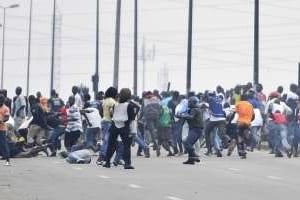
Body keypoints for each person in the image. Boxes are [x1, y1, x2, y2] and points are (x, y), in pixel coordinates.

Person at [103, 88, 136, 169]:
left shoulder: (115, 105)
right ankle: (127, 163)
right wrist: (133, 131)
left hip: (114, 125)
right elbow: (132, 120)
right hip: (124, 126)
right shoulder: (129, 106)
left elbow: (112, 114)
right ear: (129, 96)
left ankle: (107, 162)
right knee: (126, 145)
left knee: (111, 145)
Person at [177, 96, 204, 165]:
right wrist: (181, 115)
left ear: (193, 103)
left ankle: (194, 155)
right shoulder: (195, 109)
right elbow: (188, 116)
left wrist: (181, 116)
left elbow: (191, 117)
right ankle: (191, 159)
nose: (188, 103)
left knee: (187, 143)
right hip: (195, 129)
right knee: (189, 143)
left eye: (190, 102)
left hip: (196, 129)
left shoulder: (194, 109)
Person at [96, 87, 118, 165]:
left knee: (104, 139)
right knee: (107, 140)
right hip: (109, 121)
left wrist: (104, 116)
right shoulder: (112, 102)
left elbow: (101, 111)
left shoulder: (104, 101)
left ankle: (102, 157)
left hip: (104, 121)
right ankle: (103, 157)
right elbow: (112, 112)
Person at [230, 94, 254, 159]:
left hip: (240, 123)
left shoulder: (238, 104)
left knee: (240, 137)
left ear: (241, 98)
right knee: (247, 136)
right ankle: (248, 146)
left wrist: (229, 120)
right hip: (248, 123)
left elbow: (234, 113)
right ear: (247, 99)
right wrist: (249, 121)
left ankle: (243, 151)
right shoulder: (250, 105)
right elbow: (253, 115)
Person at [0, 94, 11, 166]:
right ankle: (3, 156)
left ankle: (7, 160)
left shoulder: (6, 108)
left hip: (2, 128)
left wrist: (1, 121)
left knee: (3, 144)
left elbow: (7, 118)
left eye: (1, 100)